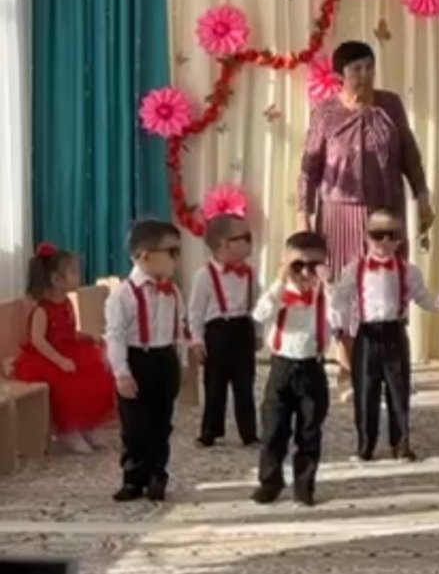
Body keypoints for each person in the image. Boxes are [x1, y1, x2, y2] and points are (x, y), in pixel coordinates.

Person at [334, 208, 439, 462]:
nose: (384, 241)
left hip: (395, 332)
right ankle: (365, 445)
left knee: (398, 391)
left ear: (400, 239)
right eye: (377, 235)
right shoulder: (354, 269)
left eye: (391, 235)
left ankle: (401, 444)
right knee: (365, 392)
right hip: (367, 333)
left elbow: (423, 296)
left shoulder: (408, 270)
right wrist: (341, 325)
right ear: (366, 236)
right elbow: (341, 298)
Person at [298, 39, 434, 274]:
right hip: (340, 215)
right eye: (357, 69)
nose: (365, 75)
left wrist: (422, 198)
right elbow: (309, 169)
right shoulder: (324, 113)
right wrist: (303, 216)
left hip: (386, 208)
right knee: (343, 281)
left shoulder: (391, 104)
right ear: (340, 76)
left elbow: (410, 154)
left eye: (370, 67)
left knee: (387, 279)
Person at [251, 231, 339, 506]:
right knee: (273, 430)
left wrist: (329, 286)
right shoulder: (279, 293)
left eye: (313, 265)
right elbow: (260, 314)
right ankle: (270, 481)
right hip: (282, 367)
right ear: (285, 264)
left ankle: (304, 485)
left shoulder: (325, 297)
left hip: (312, 368)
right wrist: (280, 281)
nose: (304, 272)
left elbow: (340, 319)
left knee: (310, 431)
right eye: (297, 265)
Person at [104, 219, 186, 502]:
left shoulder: (173, 290)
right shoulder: (122, 294)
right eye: (171, 252)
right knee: (135, 426)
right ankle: (133, 478)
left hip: (165, 360)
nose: (176, 258)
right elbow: (114, 335)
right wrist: (121, 372)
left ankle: (157, 476)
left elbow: (180, 327)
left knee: (162, 424)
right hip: (137, 360)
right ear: (145, 256)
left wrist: (181, 363)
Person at [12, 243, 115, 454]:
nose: (79, 276)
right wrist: (59, 360)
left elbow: (68, 331)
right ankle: (68, 429)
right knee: (68, 382)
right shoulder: (42, 309)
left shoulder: (67, 303)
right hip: (46, 356)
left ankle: (86, 424)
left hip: (69, 349)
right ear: (56, 279)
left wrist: (85, 337)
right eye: (73, 272)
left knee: (96, 373)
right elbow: (38, 340)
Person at [187, 214, 260, 448]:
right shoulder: (204, 276)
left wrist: (258, 332)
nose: (250, 242)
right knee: (214, 384)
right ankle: (210, 430)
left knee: (245, 384)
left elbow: (257, 304)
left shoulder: (250, 273)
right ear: (223, 244)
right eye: (244, 238)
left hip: (243, 328)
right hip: (218, 331)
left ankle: (249, 432)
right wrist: (197, 340)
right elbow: (196, 311)